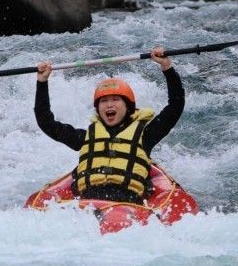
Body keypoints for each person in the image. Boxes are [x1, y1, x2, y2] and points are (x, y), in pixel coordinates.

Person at [34, 47, 184, 204]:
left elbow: (176, 104)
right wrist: (42, 81)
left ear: (128, 107)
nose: (109, 105)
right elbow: (46, 122)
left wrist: (166, 67)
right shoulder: (85, 137)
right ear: (98, 109)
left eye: (115, 100)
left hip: (127, 205)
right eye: (104, 101)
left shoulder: (146, 135)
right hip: (88, 204)